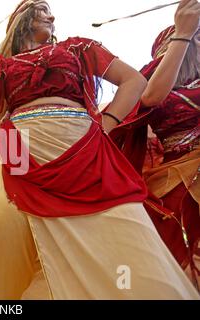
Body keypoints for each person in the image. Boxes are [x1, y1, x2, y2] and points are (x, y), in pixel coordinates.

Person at [0, 0, 199, 299]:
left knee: (135, 250)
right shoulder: (5, 67)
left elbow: (133, 81)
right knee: (1, 273)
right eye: (43, 10)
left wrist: (103, 129)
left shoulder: (77, 48)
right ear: (22, 19)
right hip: (19, 161)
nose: (52, 15)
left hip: (83, 153)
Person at [111, 0, 200, 286]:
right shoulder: (152, 84)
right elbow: (151, 98)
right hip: (175, 187)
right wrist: (183, 34)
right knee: (166, 272)